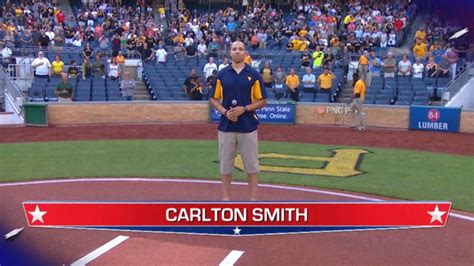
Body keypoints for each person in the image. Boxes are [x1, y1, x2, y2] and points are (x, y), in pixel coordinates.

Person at [209, 41, 267, 201]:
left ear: (245, 52)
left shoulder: (254, 75)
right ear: (230, 52)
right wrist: (226, 112)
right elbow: (213, 99)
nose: (237, 51)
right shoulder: (221, 74)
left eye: (240, 49)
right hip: (226, 126)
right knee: (226, 166)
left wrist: (244, 109)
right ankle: (226, 198)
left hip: (248, 126)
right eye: (234, 49)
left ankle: (253, 200)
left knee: (252, 166)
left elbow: (262, 101)